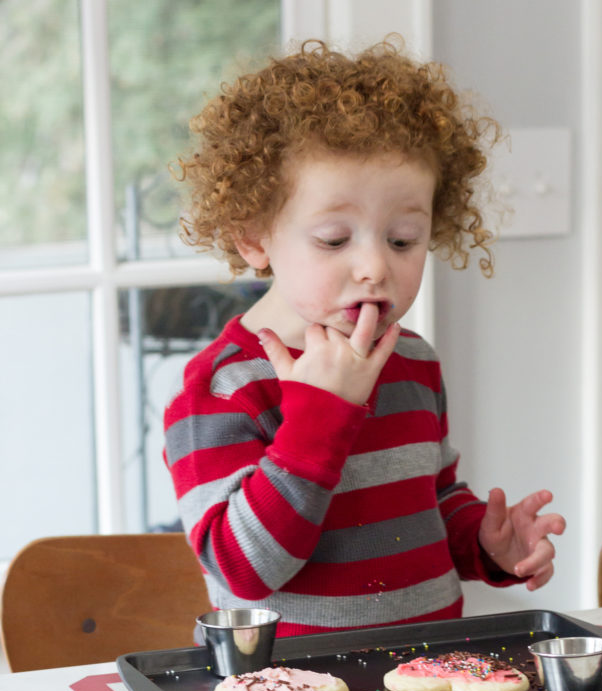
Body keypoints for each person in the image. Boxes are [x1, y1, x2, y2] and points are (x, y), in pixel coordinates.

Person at [164, 38, 565, 638]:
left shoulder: (413, 362)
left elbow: (429, 501)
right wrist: (320, 417)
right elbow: (244, 570)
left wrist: (485, 541)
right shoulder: (221, 389)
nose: (375, 267)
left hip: (425, 674)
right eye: (333, 239)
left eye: (402, 239)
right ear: (254, 236)